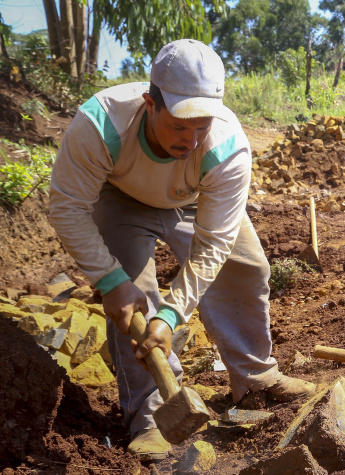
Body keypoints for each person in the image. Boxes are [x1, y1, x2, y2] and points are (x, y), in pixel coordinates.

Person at [48, 40, 315, 462]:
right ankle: (151, 415)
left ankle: (255, 379)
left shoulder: (226, 146)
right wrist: (110, 280)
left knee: (246, 268)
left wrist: (173, 316)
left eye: (201, 126)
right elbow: (67, 205)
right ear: (150, 103)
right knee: (134, 296)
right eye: (178, 125)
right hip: (120, 197)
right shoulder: (101, 124)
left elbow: (214, 245)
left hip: (193, 199)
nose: (190, 139)